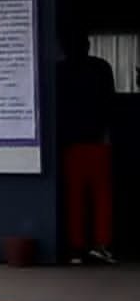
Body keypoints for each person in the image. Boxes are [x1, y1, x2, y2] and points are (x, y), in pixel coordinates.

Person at [57, 31, 117, 265]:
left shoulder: (60, 71)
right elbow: (110, 104)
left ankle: (76, 248)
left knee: (75, 198)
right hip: (98, 141)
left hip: (70, 143)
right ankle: (101, 245)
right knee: (102, 197)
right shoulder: (101, 68)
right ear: (88, 45)